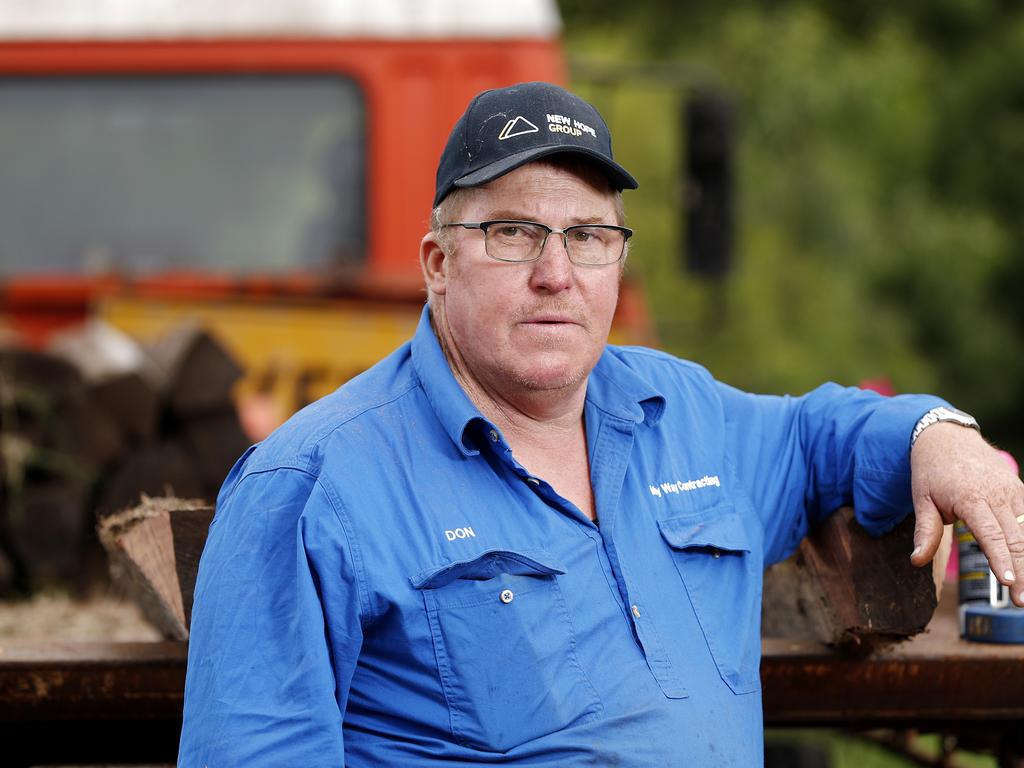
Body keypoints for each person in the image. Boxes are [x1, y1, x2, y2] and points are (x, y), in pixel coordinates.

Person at [178, 82, 1024, 767]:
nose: (556, 274)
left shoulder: (682, 413)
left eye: (588, 236)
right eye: (514, 233)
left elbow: (818, 436)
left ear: (618, 259)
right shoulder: (308, 488)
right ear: (438, 263)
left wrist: (939, 436)